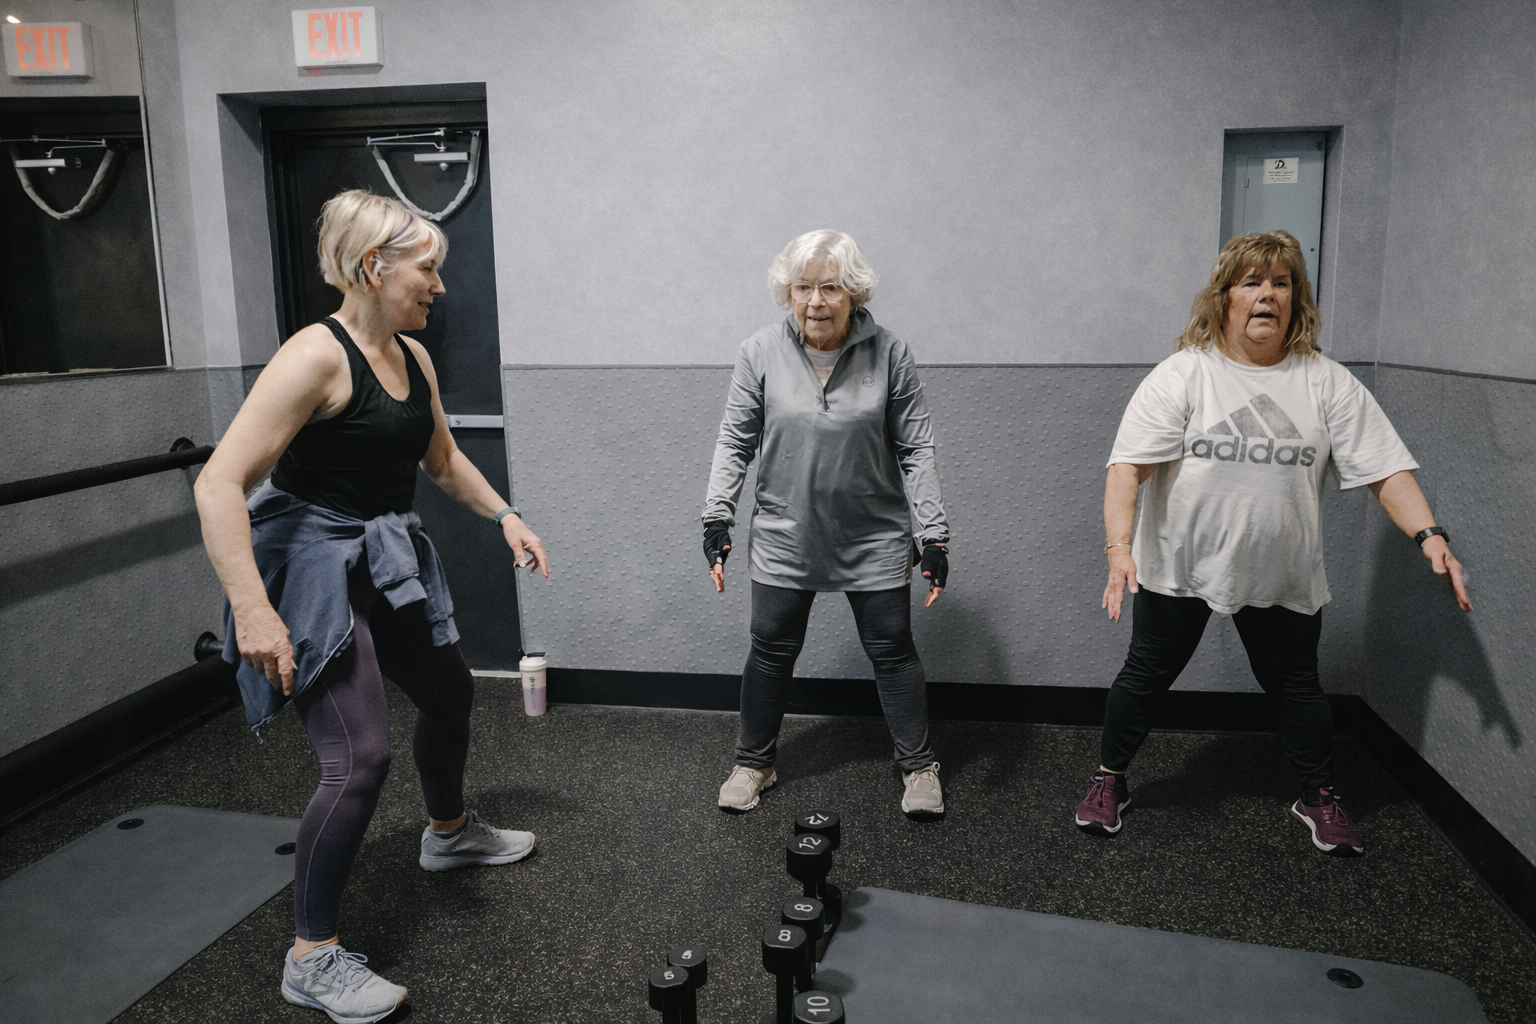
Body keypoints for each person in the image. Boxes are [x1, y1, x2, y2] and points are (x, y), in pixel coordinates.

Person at [194, 190, 551, 1022]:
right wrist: (252, 609)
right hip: (312, 561)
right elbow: (220, 482)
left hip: (380, 550)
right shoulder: (313, 357)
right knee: (359, 758)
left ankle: (448, 832)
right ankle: (310, 956)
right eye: (427, 269)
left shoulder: (411, 358)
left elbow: (442, 459)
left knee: (451, 692)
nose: (439, 286)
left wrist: (506, 515)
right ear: (372, 267)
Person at [1075, 230, 1471, 856]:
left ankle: (1316, 796)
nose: (1267, 295)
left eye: (1281, 283)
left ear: (1297, 299)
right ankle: (1109, 780)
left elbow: (1385, 467)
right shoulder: (1184, 374)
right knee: (1146, 675)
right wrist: (1118, 549)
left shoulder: (1326, 382)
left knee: (1296, 686)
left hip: (1281, 571)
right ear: (1224, 297)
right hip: (1180, 565)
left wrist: (1427, 532)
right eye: (1252, 282)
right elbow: (1127, 468)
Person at [702, 229, 952, 818]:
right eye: (803, 287)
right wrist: (717, 516)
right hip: (787, 533)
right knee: (770, 649)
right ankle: (753, 762)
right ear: (788, 292)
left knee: (893, 650)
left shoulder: (890, 352)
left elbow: (915, 448)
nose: (815, 301)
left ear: (854, 294)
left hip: (873, 533)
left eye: (830, 287)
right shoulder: (759, 351)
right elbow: (734, 440)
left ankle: (919, 769)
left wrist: (933, 534)